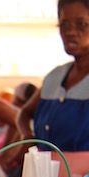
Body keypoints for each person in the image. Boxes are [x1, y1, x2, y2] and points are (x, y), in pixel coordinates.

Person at [17, 0, 89, 152]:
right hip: (47, 167)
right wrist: (27, 136)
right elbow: (24, 113)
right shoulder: (54, 78)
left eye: (81, 24)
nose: (70, 32)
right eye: (64, 25)